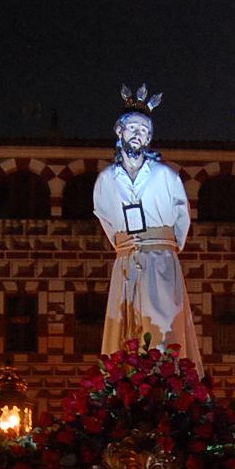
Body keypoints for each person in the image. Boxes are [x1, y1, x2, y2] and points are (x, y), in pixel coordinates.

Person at [91, 85, 203, 367]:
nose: (137, 133)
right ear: (120, 132)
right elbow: (105, 218)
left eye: (144, 129)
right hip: (127, 263)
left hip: (160, 262)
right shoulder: (106, 180)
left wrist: (159, 245)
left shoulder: (165, 176)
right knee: (124, 327)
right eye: (132, 127)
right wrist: (127, 246)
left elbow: (181, 218)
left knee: (164, 328)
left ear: (150, 136)